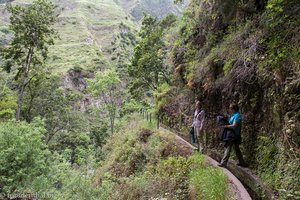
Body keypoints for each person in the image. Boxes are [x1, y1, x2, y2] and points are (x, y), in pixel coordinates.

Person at [218, 103, 246, 167]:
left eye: (230, 108)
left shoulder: (237, 115)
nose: (229, 109)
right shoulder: (233, 115)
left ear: (234, 109)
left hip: (234, 134)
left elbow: (234, 126)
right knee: (236, 149)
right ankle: (241, 162)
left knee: (228, 147)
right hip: (232, 134)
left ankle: (223, 163)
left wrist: (226, 126)